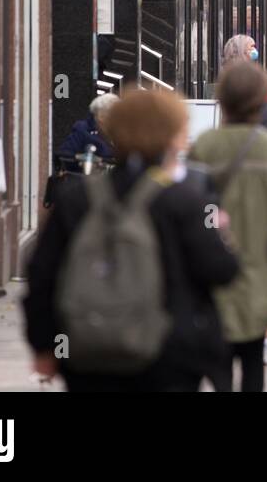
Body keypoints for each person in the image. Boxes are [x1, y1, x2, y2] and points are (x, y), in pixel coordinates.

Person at [24, 89, 240, 391]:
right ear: (171, 137)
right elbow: (221, 269)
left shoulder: (76, 198)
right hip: (168, 355)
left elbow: (41, 273)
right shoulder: (185, 200)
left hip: (88, 354)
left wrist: (45, 346)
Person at [189, 62, 267, 391]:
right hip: (263, 271)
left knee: (220, 359)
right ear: (264, 99)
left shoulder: (204, 146)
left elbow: (189, 207)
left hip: (214, 271)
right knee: (254, 356)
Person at [58, 93, 118, 169]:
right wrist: (83, 161)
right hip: (87, 177)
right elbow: (64, 154)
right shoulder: (83, 130)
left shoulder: (120, 133)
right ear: (100, 115)